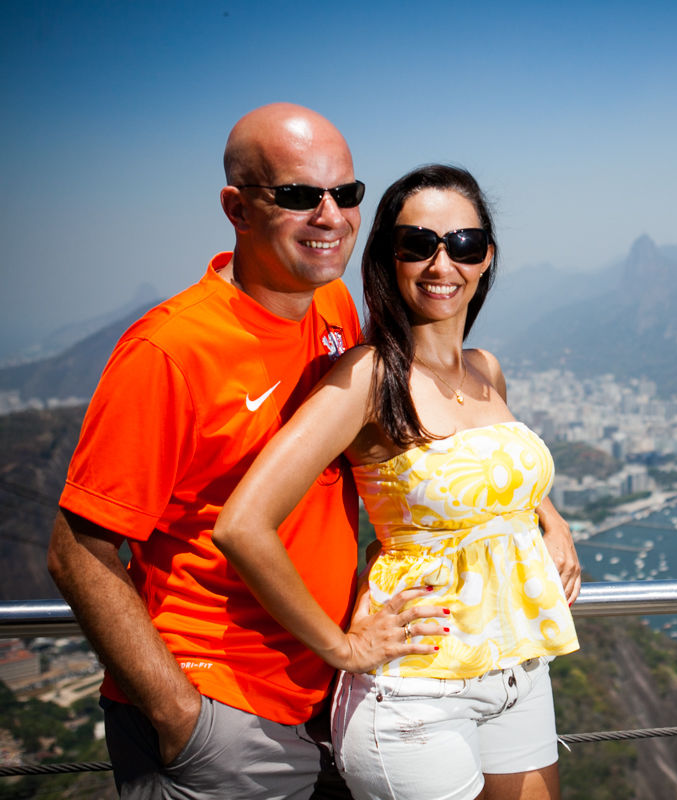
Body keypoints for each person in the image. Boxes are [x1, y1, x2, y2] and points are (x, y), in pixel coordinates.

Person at [46, 103, 442, 800]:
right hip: (220, 711)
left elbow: (388, 446)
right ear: (237, 207)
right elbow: (78, 550)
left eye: (345, 194)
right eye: (298, 195)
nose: (331, 216)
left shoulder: (333, 308)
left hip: (322, 693)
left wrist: (537, 509)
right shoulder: (169, 351)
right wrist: (179, 715)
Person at [213, 164, 581, 800]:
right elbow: (242, 524)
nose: (443, 264)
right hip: (417, 691)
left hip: (519, 666)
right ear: (388, 257)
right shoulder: (367, 377)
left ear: (486, 257)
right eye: (419, 245)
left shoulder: (485, 369)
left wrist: (550, 519)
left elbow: (492, 471)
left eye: (463, 244)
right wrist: (344, 648)